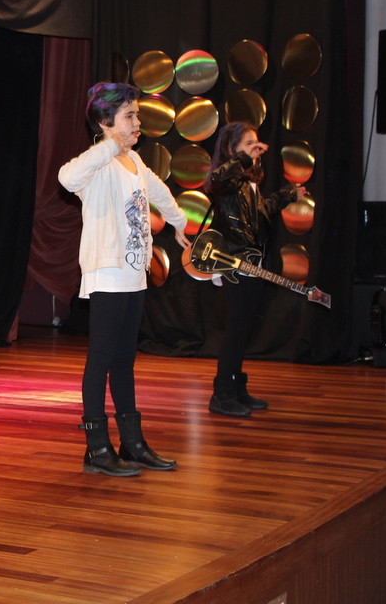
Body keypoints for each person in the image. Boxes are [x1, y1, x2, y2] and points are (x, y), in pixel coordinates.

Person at [58, 82, 190, 477]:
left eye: (137, 115)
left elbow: (159, 191)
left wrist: (180, 223)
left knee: (124, 360)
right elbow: (66, 177)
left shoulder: (134, 160)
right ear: (105, 121)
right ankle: (97, 448)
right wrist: (110, 144)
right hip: (107, 272)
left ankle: (132, 444)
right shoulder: (97, 163)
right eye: (129, 116)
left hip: (133, 273)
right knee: (101, 358)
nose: (137, 123)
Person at [204, 121, 305, 417]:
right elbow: (219, 177)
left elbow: (259, 214)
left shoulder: (247, 182)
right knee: (237, 329)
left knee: (244, 328)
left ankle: (236, 389)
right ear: (232, 150)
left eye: (257, 144)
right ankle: (222, 394)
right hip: (235, 262)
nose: (256, 150)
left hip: (251, 262)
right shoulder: (227, 179)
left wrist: (287, 196)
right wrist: (245, 158)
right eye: (248, 145)